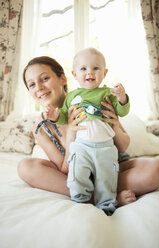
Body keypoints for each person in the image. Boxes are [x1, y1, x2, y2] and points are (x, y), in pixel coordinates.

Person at [18, 55, 159, 212]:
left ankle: (99, 193)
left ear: (63, 79)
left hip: (109, 167)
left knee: (157, 168)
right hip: (76, 174)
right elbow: (65, 170)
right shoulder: (41, 128)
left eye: (44, 78)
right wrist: (70, 135)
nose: (39, 87)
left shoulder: (91, 98)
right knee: (25, 167)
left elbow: (122, 148)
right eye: (32, 85)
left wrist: (114, 124)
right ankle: (104, 198)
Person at [44, 48, 130, 215]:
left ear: (104, 73)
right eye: (83, 69)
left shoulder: (107, 93)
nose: (89, 72)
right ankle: (80, 201)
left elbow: (122, 111)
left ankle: (106, 205)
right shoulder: (71, 96)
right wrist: (55, 116)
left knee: (107, 178)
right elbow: (64, 118)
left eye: (96, 68)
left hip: (105, 146)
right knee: (77, 174)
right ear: (74, 74)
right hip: (81, 145)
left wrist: (121, 98)